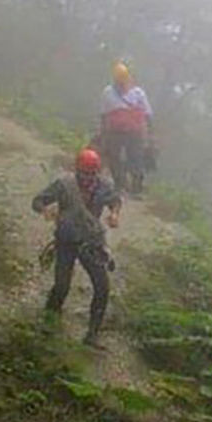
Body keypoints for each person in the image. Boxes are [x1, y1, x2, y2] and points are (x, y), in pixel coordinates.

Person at [32, 148, 122, 347]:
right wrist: (45, 209)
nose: (88, 178)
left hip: (91, 242)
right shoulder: (64, 185)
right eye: (84, 173)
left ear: (97, 172)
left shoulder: (105, 186)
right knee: (62, 285)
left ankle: (92, 334)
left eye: (92, 173)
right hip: (66, 242)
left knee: (102, 287)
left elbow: (115, 200)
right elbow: (37, 200)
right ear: (77, 170)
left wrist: (114, 213)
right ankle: (48, 322)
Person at [99, 61, 153, 195]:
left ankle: (136, 188)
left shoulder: (138, 93)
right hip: (115, 131)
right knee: (114, 157)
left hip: (134, 132)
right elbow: (104, 114)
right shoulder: (108, 92)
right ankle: (119, 184)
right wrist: (103, 133)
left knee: (136, 159)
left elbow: (147, 115)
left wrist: (148, 135)